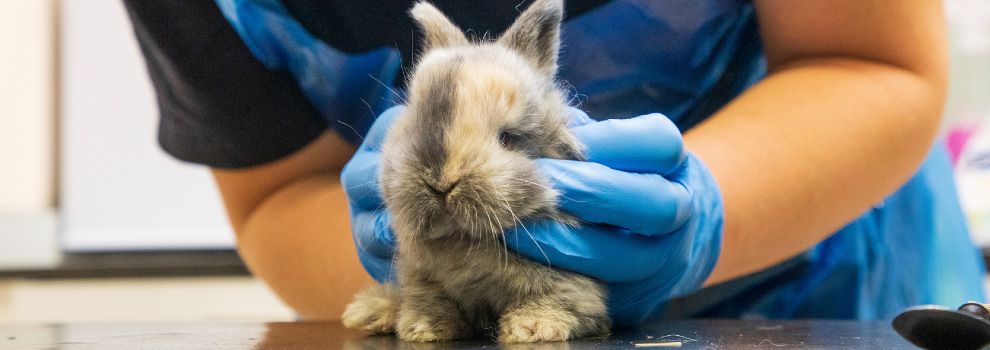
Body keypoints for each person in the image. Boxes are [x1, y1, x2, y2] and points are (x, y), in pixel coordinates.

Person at [123, 0, 986, 325]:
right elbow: (276, 194)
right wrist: (399, 252)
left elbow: (876, 59)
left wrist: (705, 212)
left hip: (829, 287)